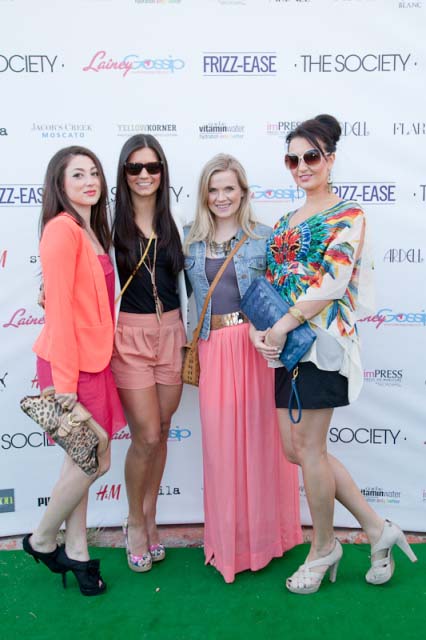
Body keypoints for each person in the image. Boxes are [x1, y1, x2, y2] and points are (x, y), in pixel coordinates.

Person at [253, 114, 417, 594]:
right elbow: (272, 283)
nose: (302, 166)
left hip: (322, 345)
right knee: (297, 450)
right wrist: (264, 332)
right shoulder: (284, 221)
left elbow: (332, 281)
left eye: (311, 157)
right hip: (285, 349)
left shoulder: (349, 215)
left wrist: (282, 326)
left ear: (330, 159)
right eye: (293, 159)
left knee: (309, 450)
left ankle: (323, 547)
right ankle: (377, 528)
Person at [184, 153, 302, 584]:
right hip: (213, 349)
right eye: (213, 190)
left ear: (243, 192)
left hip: (257, 349)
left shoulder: (265, 237)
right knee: (221, 450)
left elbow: (283, 294)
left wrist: (262, 329)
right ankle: (228, 543)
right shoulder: (189, 240)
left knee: (262, 446)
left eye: (229, 188)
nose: (221, 197)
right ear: (204, 195)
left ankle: (268, 540)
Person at [23, 146, 126, 596]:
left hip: (93, 361)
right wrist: (64, 386)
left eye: (94, 173)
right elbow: (61, 314)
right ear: (59, 184)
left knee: (79, 461)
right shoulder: (61, 230)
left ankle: (78, 551)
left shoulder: (90, 229)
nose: (89, 181)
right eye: (78, 174)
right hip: (71, 367)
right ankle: (43, 538)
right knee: (94, 459)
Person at [111, 135, 187, 572]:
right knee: (147, 436)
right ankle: (135, 522)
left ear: (162, 172)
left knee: (163, 426)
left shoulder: (176, 221)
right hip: (129, 337)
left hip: (171, 334)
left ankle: (152, 516)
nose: (144, 175)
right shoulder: (109, 225)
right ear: (124, 173)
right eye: (135, 167)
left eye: (152, 167)